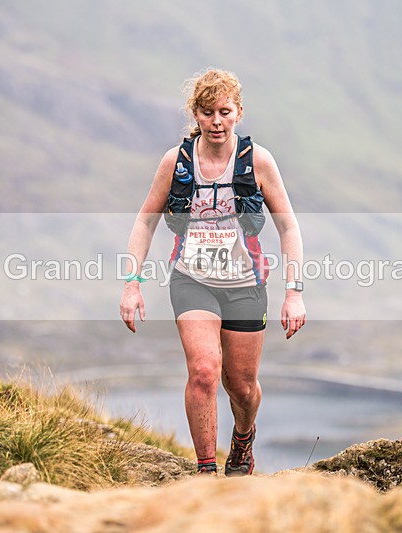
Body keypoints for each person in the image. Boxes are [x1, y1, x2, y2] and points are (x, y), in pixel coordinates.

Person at [119, 69, 306, 476]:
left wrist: (294, 293)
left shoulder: (257, 160)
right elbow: (145, 221)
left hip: (245, 285)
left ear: (238, 112)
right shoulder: (176, 161)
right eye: (207, 112)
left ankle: (243, 439)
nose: (216, 121)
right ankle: (206, 470)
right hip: (192, 280)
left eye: (224, 111)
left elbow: (288, 226)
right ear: (196, 115)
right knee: (204, 371)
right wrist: (132, 284)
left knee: (242, 387)